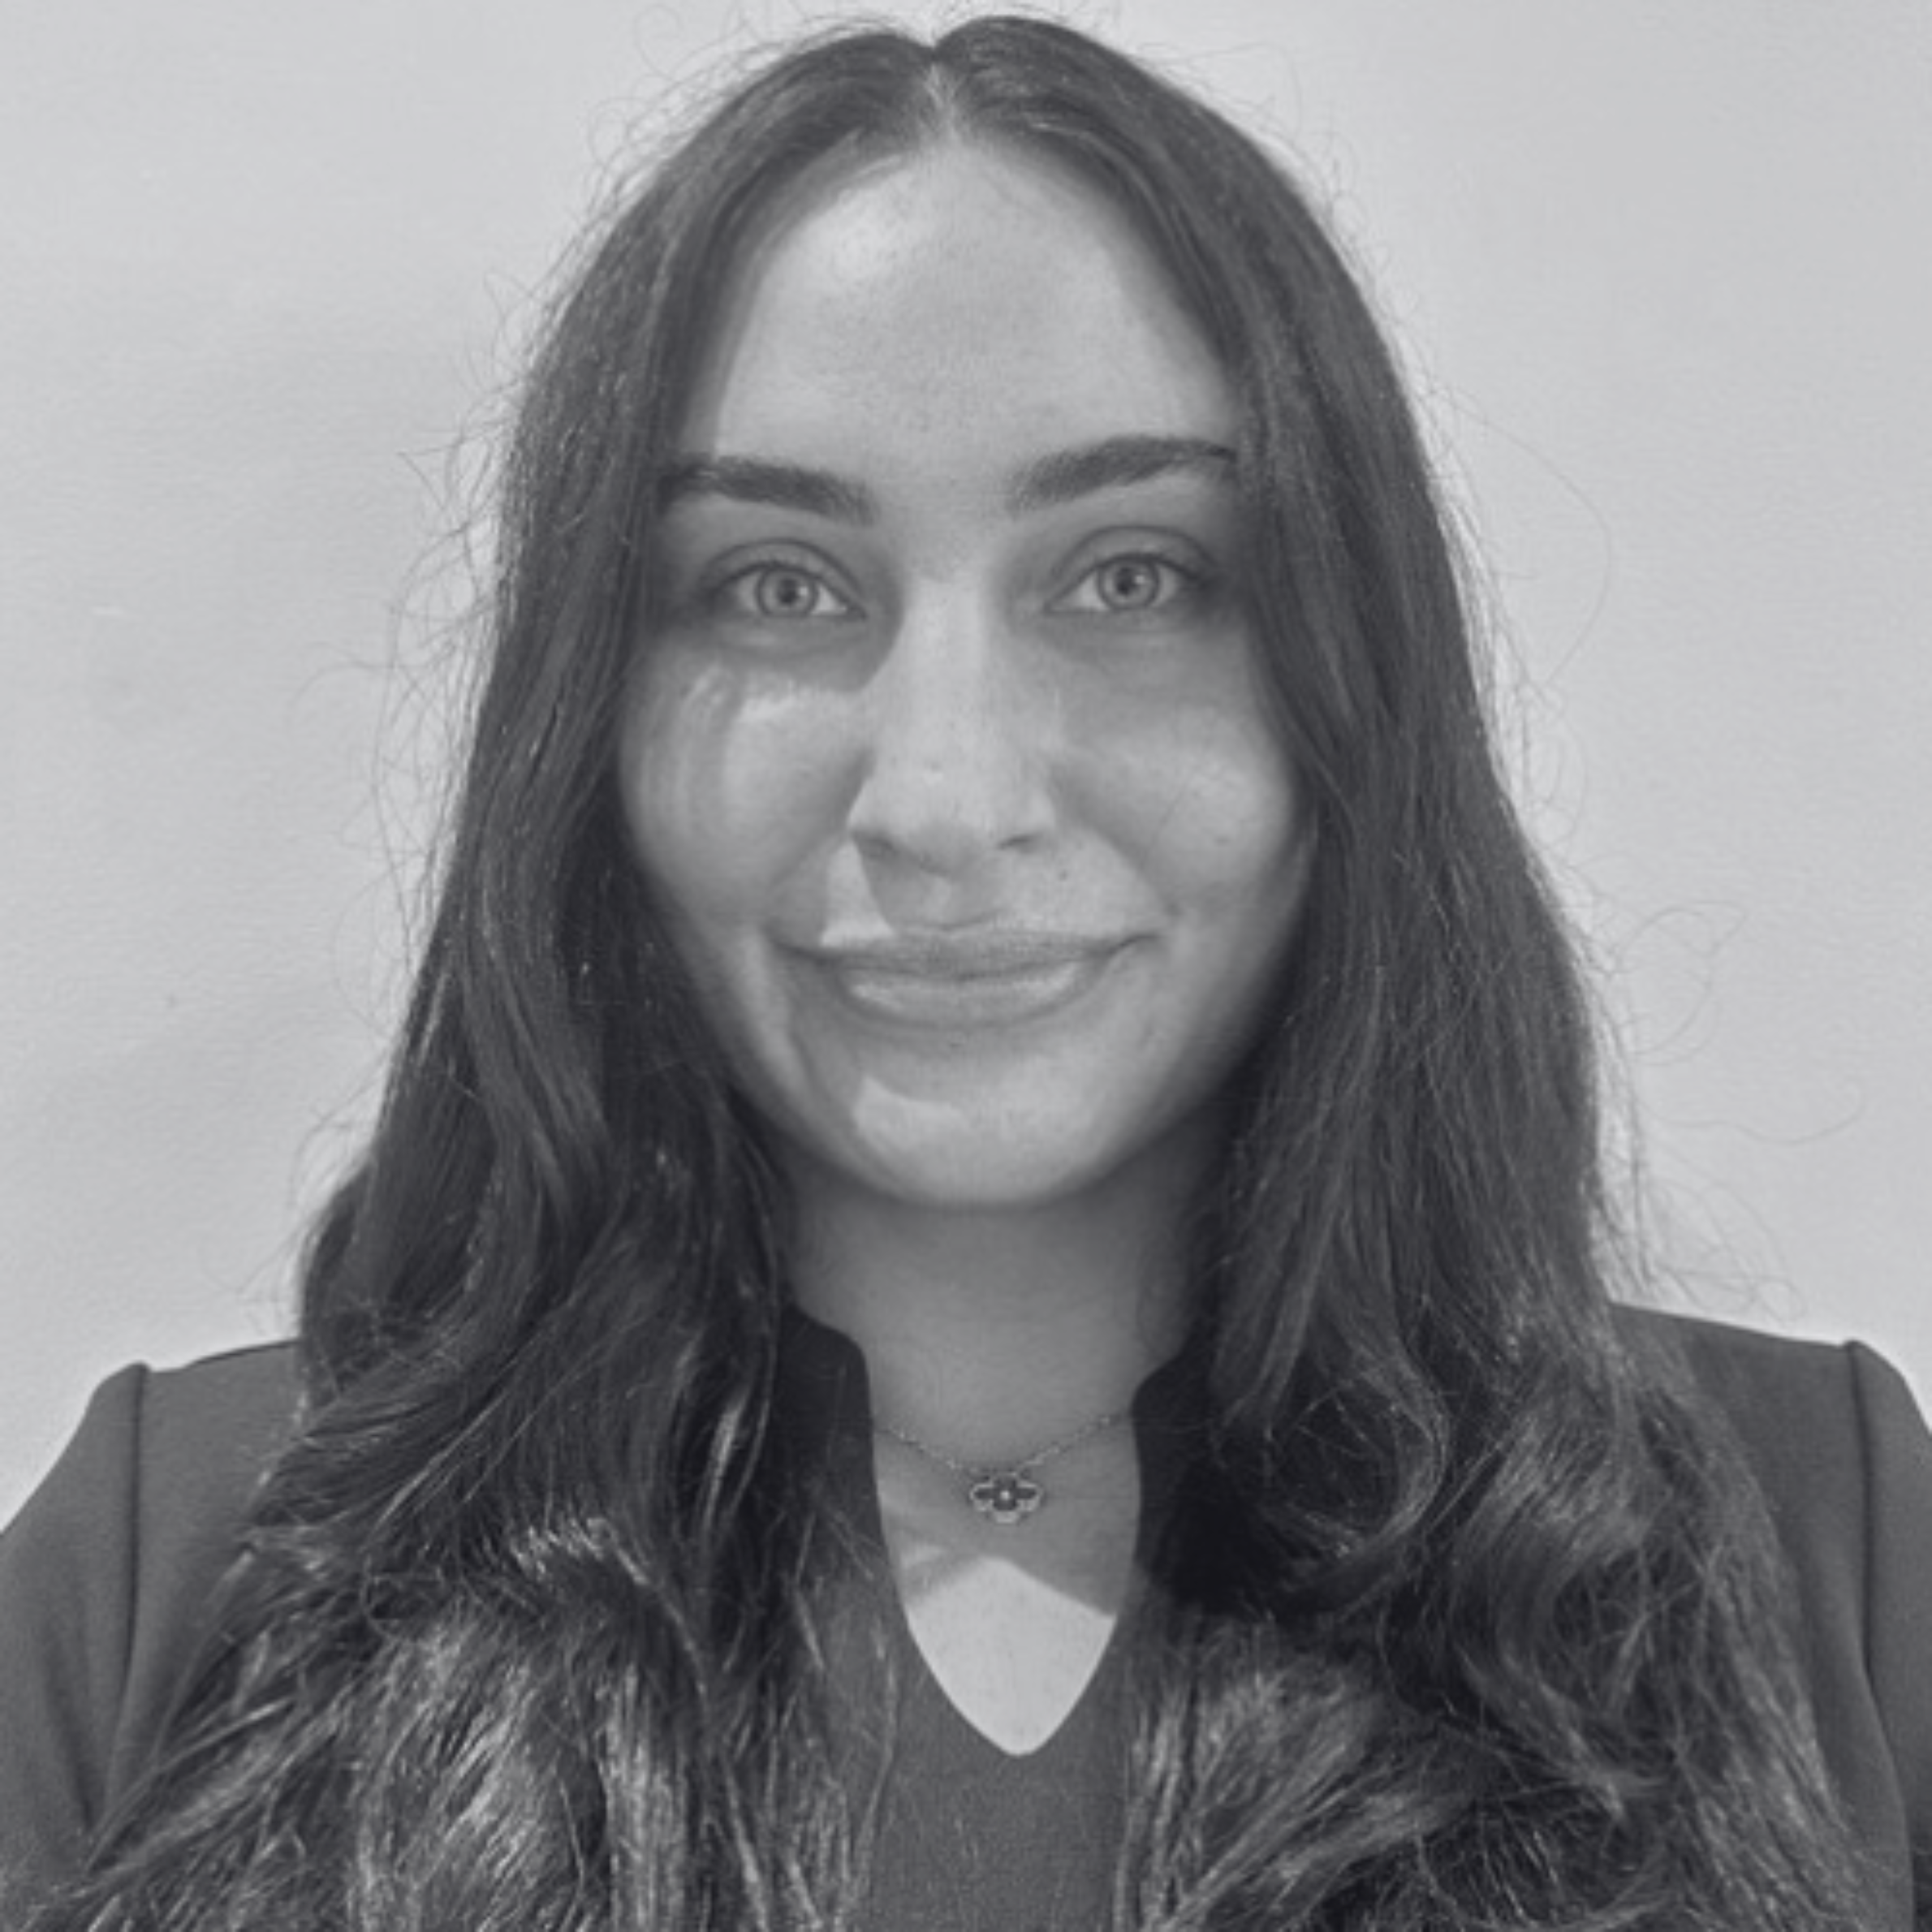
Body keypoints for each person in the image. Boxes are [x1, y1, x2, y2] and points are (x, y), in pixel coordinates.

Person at [2, 15, 1928, 1930]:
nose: (945, 795)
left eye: (1130, 577)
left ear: (1353, 685)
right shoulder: (179, 1561)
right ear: (590, 720)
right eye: (774, 583)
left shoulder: (1824, 1541)